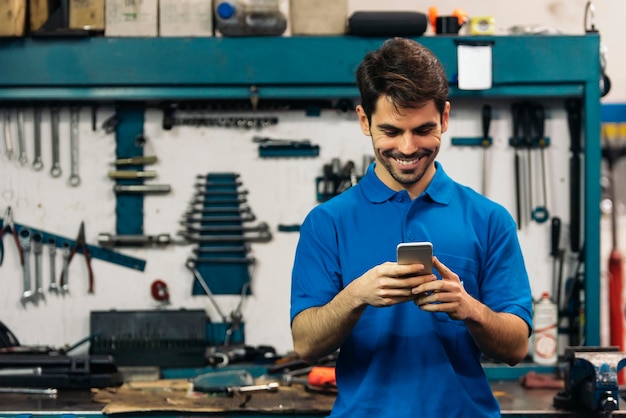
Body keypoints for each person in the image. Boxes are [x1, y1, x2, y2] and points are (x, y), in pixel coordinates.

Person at [290, 37, 533, 418]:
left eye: (423, 130)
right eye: (391, 131)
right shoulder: (327, 223)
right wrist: (355, 296)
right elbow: (305, 344)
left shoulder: (489, 219)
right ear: (363, 120)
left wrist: (471, 309)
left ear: (446, 118)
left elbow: (517, 347)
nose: (407, 148)